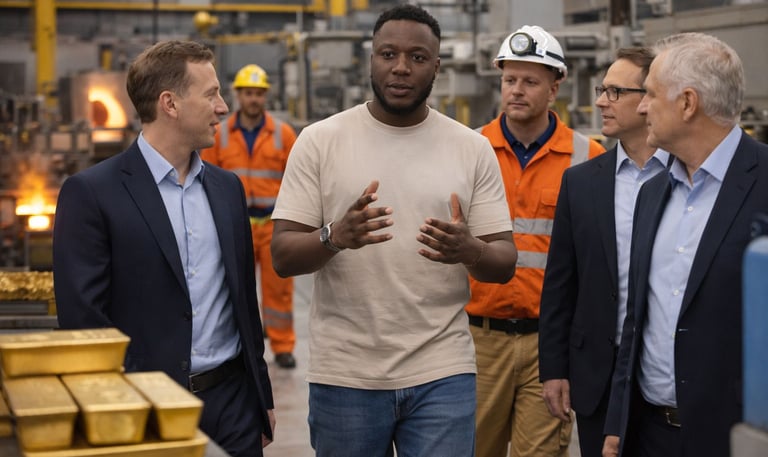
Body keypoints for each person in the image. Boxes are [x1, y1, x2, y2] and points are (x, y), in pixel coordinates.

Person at [270, 4, 518, 456]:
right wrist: (334, 237)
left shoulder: (472, 148)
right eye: (388, 54)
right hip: (346, 374)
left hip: (442, 370)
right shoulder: (320, 141)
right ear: (371, 60)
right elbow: (283, 256)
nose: (401, 67)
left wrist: (471, 250)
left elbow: (503, 264)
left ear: (436, 67)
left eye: (417, 57)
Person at [53, 40, 275, 456]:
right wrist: (126, 406)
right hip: (144, 405)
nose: (222, 108)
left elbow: (244, 301)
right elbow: (84, 321)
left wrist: (261, 397)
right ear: (170, 104)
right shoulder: (92, 194)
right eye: (211, 95)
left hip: (234, 406)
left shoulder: (227, 189)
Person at [602, 33, 768, 457]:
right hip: (648, 434)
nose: (642, 107)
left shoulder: (764, 182)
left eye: (651, 94)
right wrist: (617, 423)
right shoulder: (653, 192)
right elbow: (636, 320)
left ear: (688, 103)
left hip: (735, 437)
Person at [465, 25, 604, 457]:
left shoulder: (588, 157)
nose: (517, 90)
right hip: (478, 341)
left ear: (554, 88)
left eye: (530, 81)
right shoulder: (469, 149)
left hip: (551, 346)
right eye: (510, 79)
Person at [538, 47, 669, 457]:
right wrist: (554, 369)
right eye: (602, 90)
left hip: (667, 374)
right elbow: (560, 284)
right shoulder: (580, 183)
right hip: (598, 374)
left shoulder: (687, 178)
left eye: (615, 92)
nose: (600, 102)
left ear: (649, 99)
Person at [201, 63, 299, 369]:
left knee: (279, 291)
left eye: (258, 93)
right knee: (234, 289)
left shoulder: (283, 135)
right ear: (238, 95)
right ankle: (238, 347)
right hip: (235, 226)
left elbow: (298, 181)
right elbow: (207, 180)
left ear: (265, 96)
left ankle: (282, 346)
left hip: (273, 226)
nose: (253, 99)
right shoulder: (219, 135)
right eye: (248, 93)